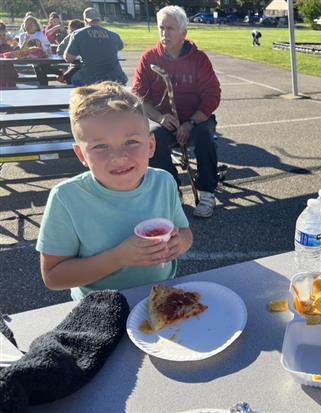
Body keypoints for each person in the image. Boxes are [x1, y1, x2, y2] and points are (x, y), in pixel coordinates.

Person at [36, 82, 193, 300]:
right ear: (81, 155)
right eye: (100, 146)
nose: (119, 157)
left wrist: (179, 244)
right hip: (100, 305)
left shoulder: (164, 182)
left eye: (131, 142)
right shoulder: (67, 199)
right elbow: (53, 276)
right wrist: (118, 258)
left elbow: (185, 232)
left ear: (150, 146)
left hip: (162, 295)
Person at [132, 5, 221, 218]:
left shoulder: (199, 59)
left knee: (205, 137)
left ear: (183, 33)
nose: (164, 33)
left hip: (197, 119)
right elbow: (138, 97)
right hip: (166, 120)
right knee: (152, 141)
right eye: (161, 28)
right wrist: (160, 118)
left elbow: (212, 96)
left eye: (170, 28)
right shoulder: (149, 58)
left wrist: (190, 123)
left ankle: (207, 192)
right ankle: (171, 190)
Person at [63, 7, 127, 85]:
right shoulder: (114, 35)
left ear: (85, 20)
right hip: (115, 78)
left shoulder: (78, 34)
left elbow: (68, 58)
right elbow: (120, 47)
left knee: (70, 78)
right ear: (99, 19)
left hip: (91, 78)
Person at [56, 19, 85, 83]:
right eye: (71, 30)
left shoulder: (84, 36)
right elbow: (59, 49)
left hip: (83, 65)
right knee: (65, 77)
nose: (70, 32)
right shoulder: (70, 37)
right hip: (75, 64)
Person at [0, 21, 18, 88]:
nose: (2, 37)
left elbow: (17, 51)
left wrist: (14, 44)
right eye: (0, 35)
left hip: (10, 72)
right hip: (1, 73)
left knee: (12, 88)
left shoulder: (8, 44)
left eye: (4, 35)